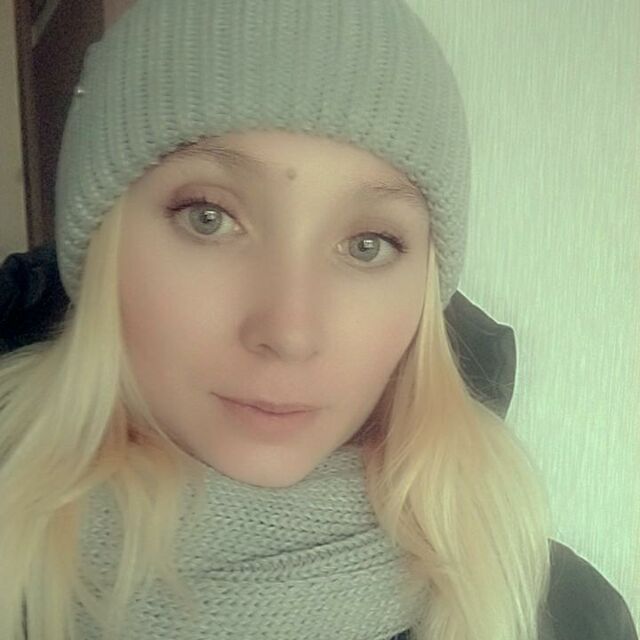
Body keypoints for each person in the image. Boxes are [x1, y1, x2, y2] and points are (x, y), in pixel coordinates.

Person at [0, 1, 636, 639]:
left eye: (367, 245)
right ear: (100, 246)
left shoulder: (564, 614)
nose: (289, 333)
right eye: (209, 218)